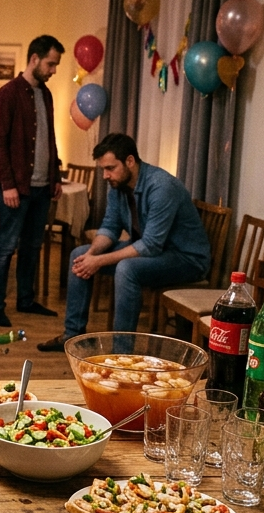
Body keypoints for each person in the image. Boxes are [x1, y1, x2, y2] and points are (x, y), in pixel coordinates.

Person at [36, 133, 210, 352]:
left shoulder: (161, 186)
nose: (105, 176)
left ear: (130, 161)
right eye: (102, 170)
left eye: (110, 168)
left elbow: (150, 245)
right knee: (78, 255)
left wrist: (98, 262)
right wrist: (91, 255)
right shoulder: (118, 186)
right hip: (157, 252)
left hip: (186, 259)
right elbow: (109, 228)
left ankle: (121, 351)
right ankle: (73, 335)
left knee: (127, 269)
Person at [0, 35, 65, 328]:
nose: (53, 70)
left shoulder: (46, 95)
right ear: (34, 59)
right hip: (16, 187)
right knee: (5, 247)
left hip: (43, 186)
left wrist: (55, 176)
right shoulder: (7, 94)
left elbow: (50, 139)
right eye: (51, 63)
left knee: (32, 246)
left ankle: (26, 300)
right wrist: (7, 184)